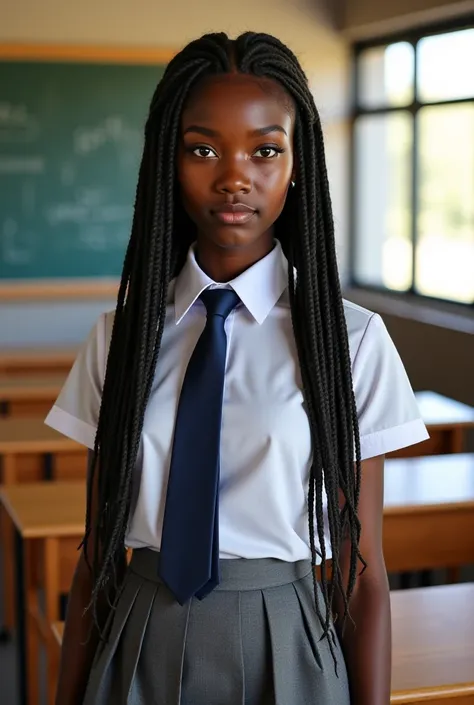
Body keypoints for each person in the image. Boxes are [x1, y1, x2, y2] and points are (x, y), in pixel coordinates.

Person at [45, 31, 429, 705]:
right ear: (170, 161)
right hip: (139, 635)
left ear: (297, 163)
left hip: (287, 642)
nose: (233, 176)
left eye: (265, 149)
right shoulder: (121, 338)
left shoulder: (353, 342)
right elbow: (96, 556)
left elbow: (363, 577)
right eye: (202, 149)